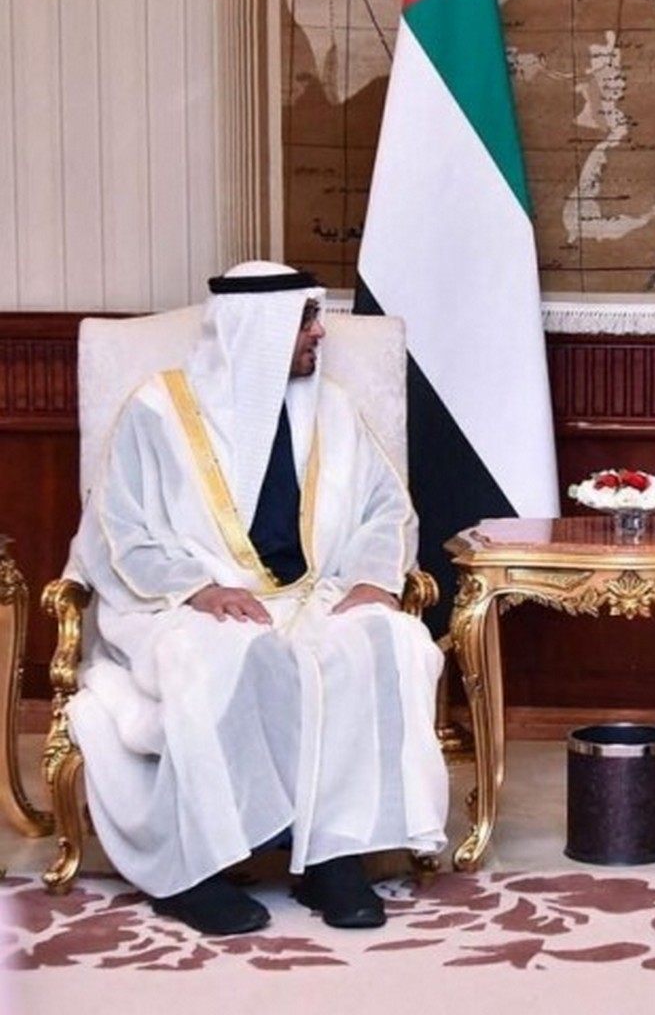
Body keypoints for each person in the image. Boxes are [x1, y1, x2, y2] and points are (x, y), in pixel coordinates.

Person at [66, 261, 450, 936]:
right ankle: (195, 871)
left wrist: (372, 579)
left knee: (388, 639)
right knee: (217, 659)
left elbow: (385, 509)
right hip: (184, 603)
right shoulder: (158, 411)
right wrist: (199, 588)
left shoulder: (332, 409)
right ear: (259, 330)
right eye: (306, 321)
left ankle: (331, 857)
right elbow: (118, 530)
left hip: (314, 594)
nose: (320, 334)